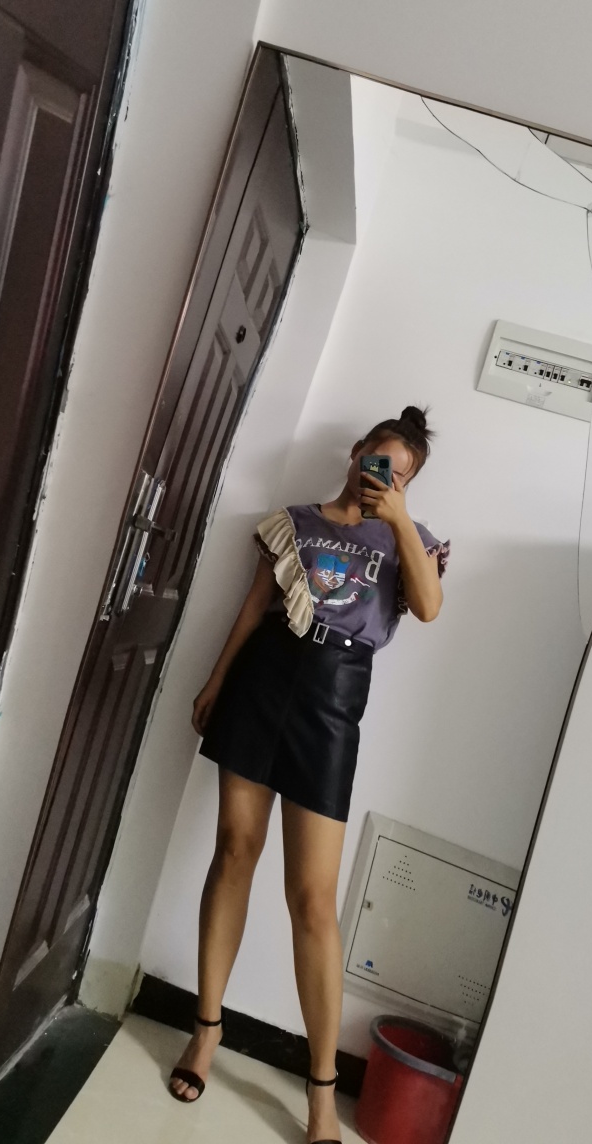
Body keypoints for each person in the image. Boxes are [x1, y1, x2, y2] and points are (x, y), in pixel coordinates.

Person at [167, 406, 448, 1144]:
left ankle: (322, 1092)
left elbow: (427, 608)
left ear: (409, 485)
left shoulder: (411, 540)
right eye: (376, 461)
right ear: (355, 453)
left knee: (314, 899)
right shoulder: (294, 523)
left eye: (398, 475)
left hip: (333, 698)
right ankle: (206, 1029)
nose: (380, 477)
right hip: (263, 680)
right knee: (233, 851)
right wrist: (216, 681)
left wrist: (399, 520)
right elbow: (253, 608)